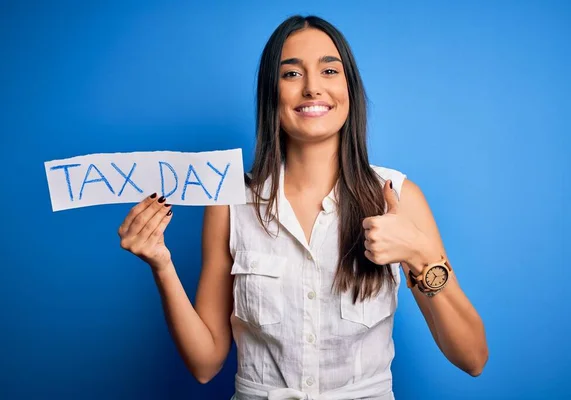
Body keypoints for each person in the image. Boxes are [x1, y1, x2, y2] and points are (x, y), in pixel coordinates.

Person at [117, 15, 488, 400]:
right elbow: (205, 363)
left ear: (349, 88)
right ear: (270, 93)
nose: (313, 88)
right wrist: (162, 264)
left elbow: (472, 357)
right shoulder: (229, 203)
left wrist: (420, 254)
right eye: (292, 74)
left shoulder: (398, 196)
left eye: (329, 70)